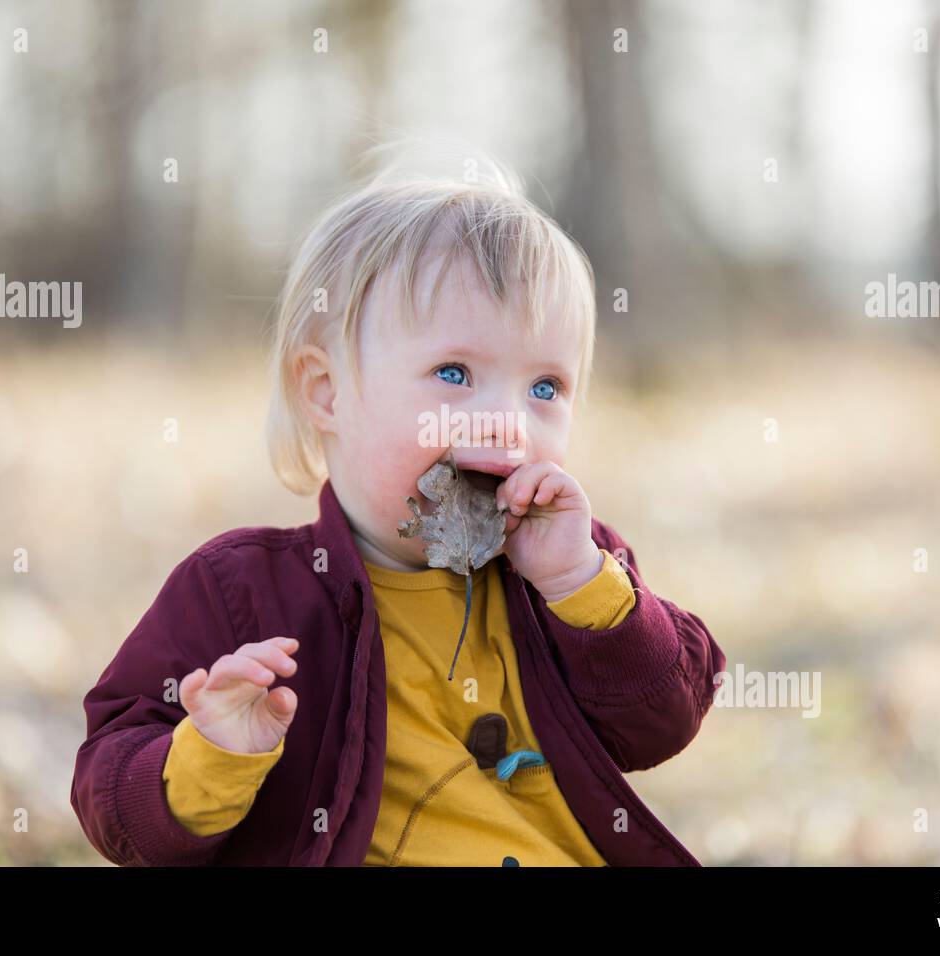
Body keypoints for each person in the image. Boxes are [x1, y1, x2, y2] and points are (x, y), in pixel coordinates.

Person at [70, 141, 726, 866]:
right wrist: (213, 753)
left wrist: (582, 587)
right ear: (326, 393)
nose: (507, 420)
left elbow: (665, 720)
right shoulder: (240, 594)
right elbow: (112, 802)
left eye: (545, 388)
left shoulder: (575, 570)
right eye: (454, 372)